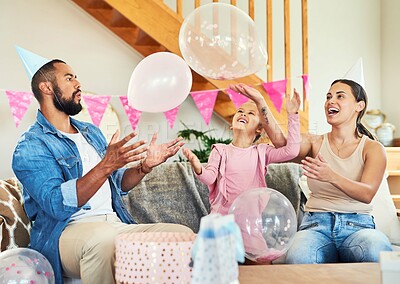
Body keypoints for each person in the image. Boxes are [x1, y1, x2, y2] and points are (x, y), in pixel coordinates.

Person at [12, 59, 192, 284]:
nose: (78, 83)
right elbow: (56, 204)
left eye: (76, 76)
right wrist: (106, 164)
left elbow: (116, 183)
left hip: (114, 225)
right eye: (69, 77)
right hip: (66, 233)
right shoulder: (31, 146)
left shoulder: (90, 132)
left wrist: (144, 167)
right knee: (103, 242)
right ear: (47, 88)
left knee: (181, 236)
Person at [183, 83, 301, 262]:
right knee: (210, 267)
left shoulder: (261, 152)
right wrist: (197, 166)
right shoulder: (220, 150)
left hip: (251, 226)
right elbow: (209, 177)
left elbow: (291, 151)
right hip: (222, 223)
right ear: (231, 124)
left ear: (259, 129)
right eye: (240, 111)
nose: (243, 114)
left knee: (263, 269)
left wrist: (293, 115)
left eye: (251, 113)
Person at [285, 79, 393, 264]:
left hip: (358, 228)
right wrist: (288, 113)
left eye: (339, 96)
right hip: (316, 227)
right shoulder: (316, 142)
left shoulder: (373, 148)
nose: (330, 101)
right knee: (298, 256)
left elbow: (366, 194)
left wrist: (331, 176)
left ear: (359, 106)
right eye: (328, 97)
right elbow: (283, 145)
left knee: (376, 250)